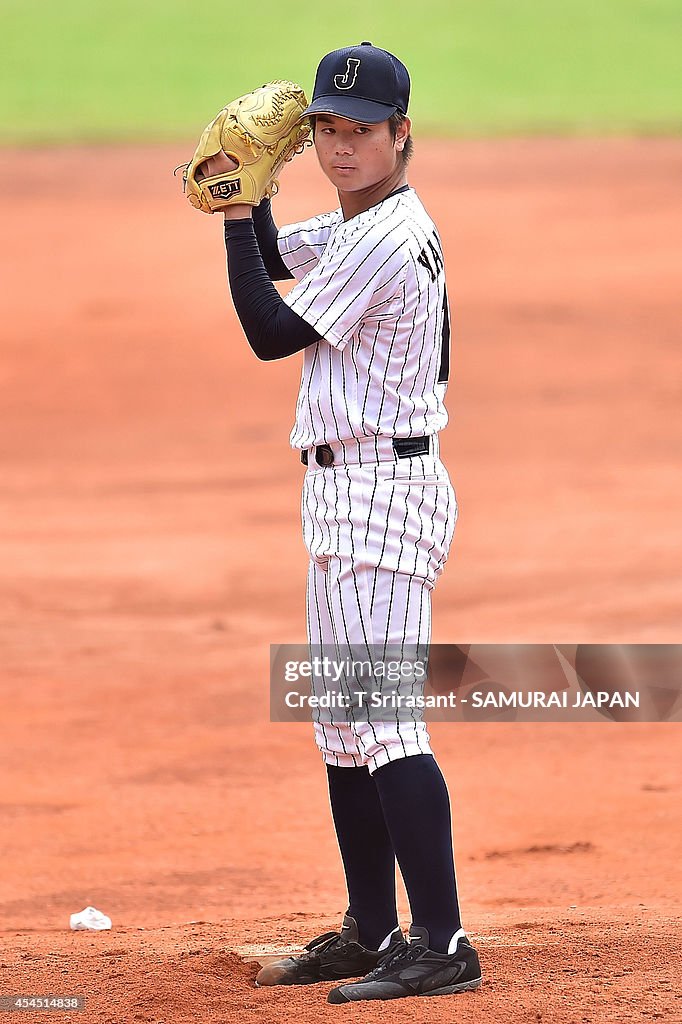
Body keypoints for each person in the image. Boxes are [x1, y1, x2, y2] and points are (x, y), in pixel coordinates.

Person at [203, 42, 482, 1004]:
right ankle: (371, 928)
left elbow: (270, 328)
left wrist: (238, 204)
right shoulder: (364, 220)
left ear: (403, 135)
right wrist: (259, 203)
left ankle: (441, 942)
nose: (339, 144)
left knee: (387, 725)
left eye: (360, 130)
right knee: (341, 724)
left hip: (381, 496)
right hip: (344, 494)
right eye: (325, 128)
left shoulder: (383, 236)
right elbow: (281, 257)